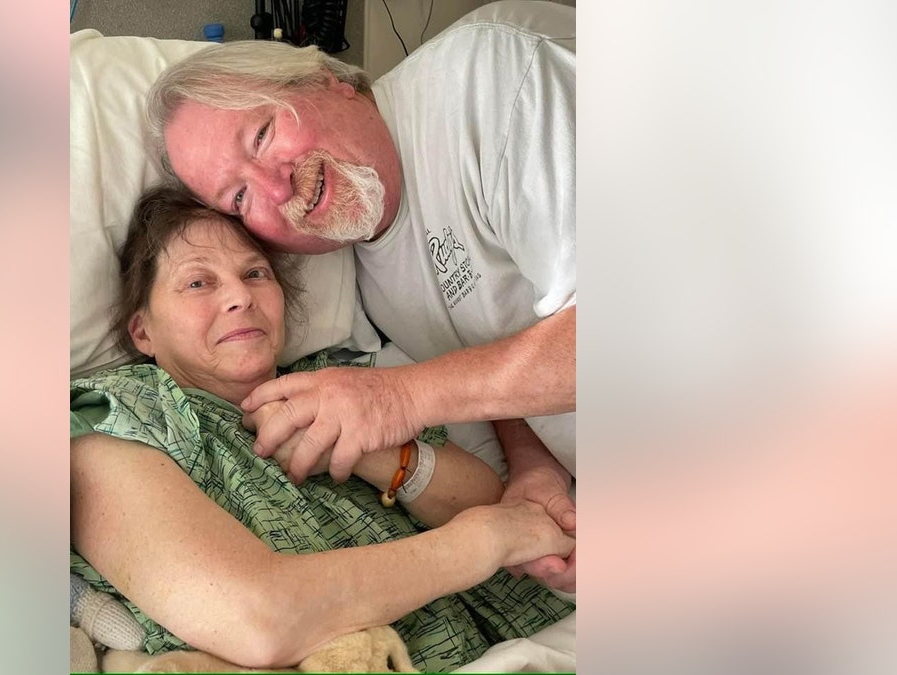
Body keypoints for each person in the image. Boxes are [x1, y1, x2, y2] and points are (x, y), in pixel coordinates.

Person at [146, 1, 578, 591]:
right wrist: (536, 465)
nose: (275, 187)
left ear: (325, 78)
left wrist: (399, 399)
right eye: (240, 198)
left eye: (264, 134)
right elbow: (494, 353)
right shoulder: (368, 279)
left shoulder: (492, 77)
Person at [70, 186, 575, 672]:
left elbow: (491, 499)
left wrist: (360, 450)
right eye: (199, 282)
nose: (239, 297)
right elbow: (259, 618)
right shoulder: (114, 420)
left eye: (255, 273)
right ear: (143, 330)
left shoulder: (337, 380)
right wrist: (482, 542)